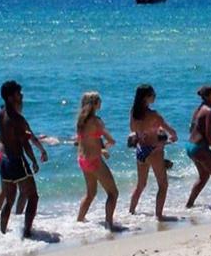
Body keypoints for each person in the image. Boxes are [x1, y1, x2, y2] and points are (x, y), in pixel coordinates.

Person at [0, 80, 48, 238]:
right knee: (33, 196)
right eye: (19, 94)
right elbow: (25, 143)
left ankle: (2, 233)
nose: (22, 96)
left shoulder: (1, 114)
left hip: (4, 161)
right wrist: (34, 160)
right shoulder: (17, 119)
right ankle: (27, 231)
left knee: (9, 198)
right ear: (11, 97)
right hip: (17, 160)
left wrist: (40, 148)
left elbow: (23, 136)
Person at [128, 84, 180, 219]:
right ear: (146, 97)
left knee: (141, 185)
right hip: (154, 151)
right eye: (153, 95)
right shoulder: (154, 115)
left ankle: (131, 213)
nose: (155, 97)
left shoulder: (133, 113)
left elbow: (133, 130)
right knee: (163, 185)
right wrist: (169, 138)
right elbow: (172, 133)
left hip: (140, 151)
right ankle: (159, 216)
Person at [74, 92, 122, 228]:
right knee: (113, 193)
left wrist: (101, 149)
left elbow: (84, 141)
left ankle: (78, 223)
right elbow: (111, 140)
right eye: (99, 101)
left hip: (83, 160)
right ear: (94, 104)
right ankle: (109, 224)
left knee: (90, 194)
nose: (101, 103)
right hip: (95, 161)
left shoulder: (80, 121)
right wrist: (105, 147)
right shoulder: (96, 121)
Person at [186, 85, 211, 211]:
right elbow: (209, 134)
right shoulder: (209, 111)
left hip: (190, 146)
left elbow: (191, 128)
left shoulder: (198, 109)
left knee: (203, 176)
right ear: (208, 96)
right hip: (199, 147)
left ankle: (189, 205)